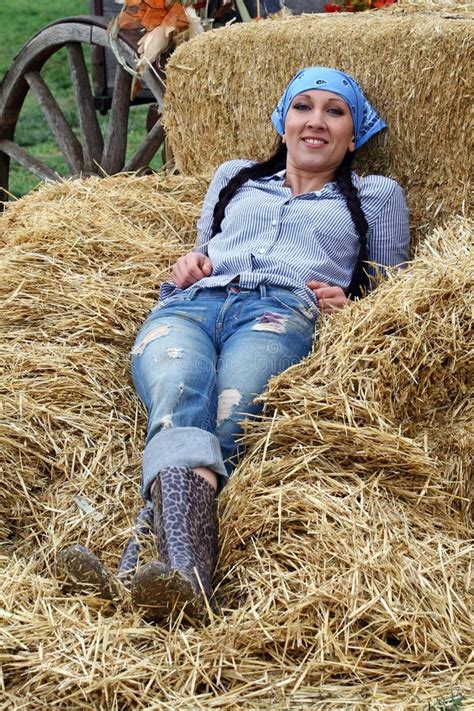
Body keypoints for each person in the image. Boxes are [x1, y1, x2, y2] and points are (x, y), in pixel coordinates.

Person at [58, 67, 410, 621]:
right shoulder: (235, 177)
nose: (315, 122)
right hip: (192, 305)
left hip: (281, 311)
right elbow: (202, 249)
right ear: (284, 120)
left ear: (354, 130)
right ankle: (177, 578)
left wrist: (353, 305)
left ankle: (140, 564)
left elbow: (394, 293)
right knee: (177, 401)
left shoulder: (376, 196)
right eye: (304, 108)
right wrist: (188, 264)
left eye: (333, 111)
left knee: (231, 411)